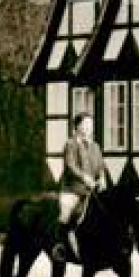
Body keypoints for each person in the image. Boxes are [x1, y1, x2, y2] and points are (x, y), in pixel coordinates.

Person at [52, 112, 107, 263]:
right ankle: (60, 247)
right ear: (78, 126)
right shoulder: (71, 144)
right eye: (86, 124)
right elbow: (70, 166)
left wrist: (102, 179)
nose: (89, 127)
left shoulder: (95, 146)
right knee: (66, 213)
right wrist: (84, 177)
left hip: (91, 191)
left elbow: (101, 166)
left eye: (91, 124)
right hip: (72, 189)